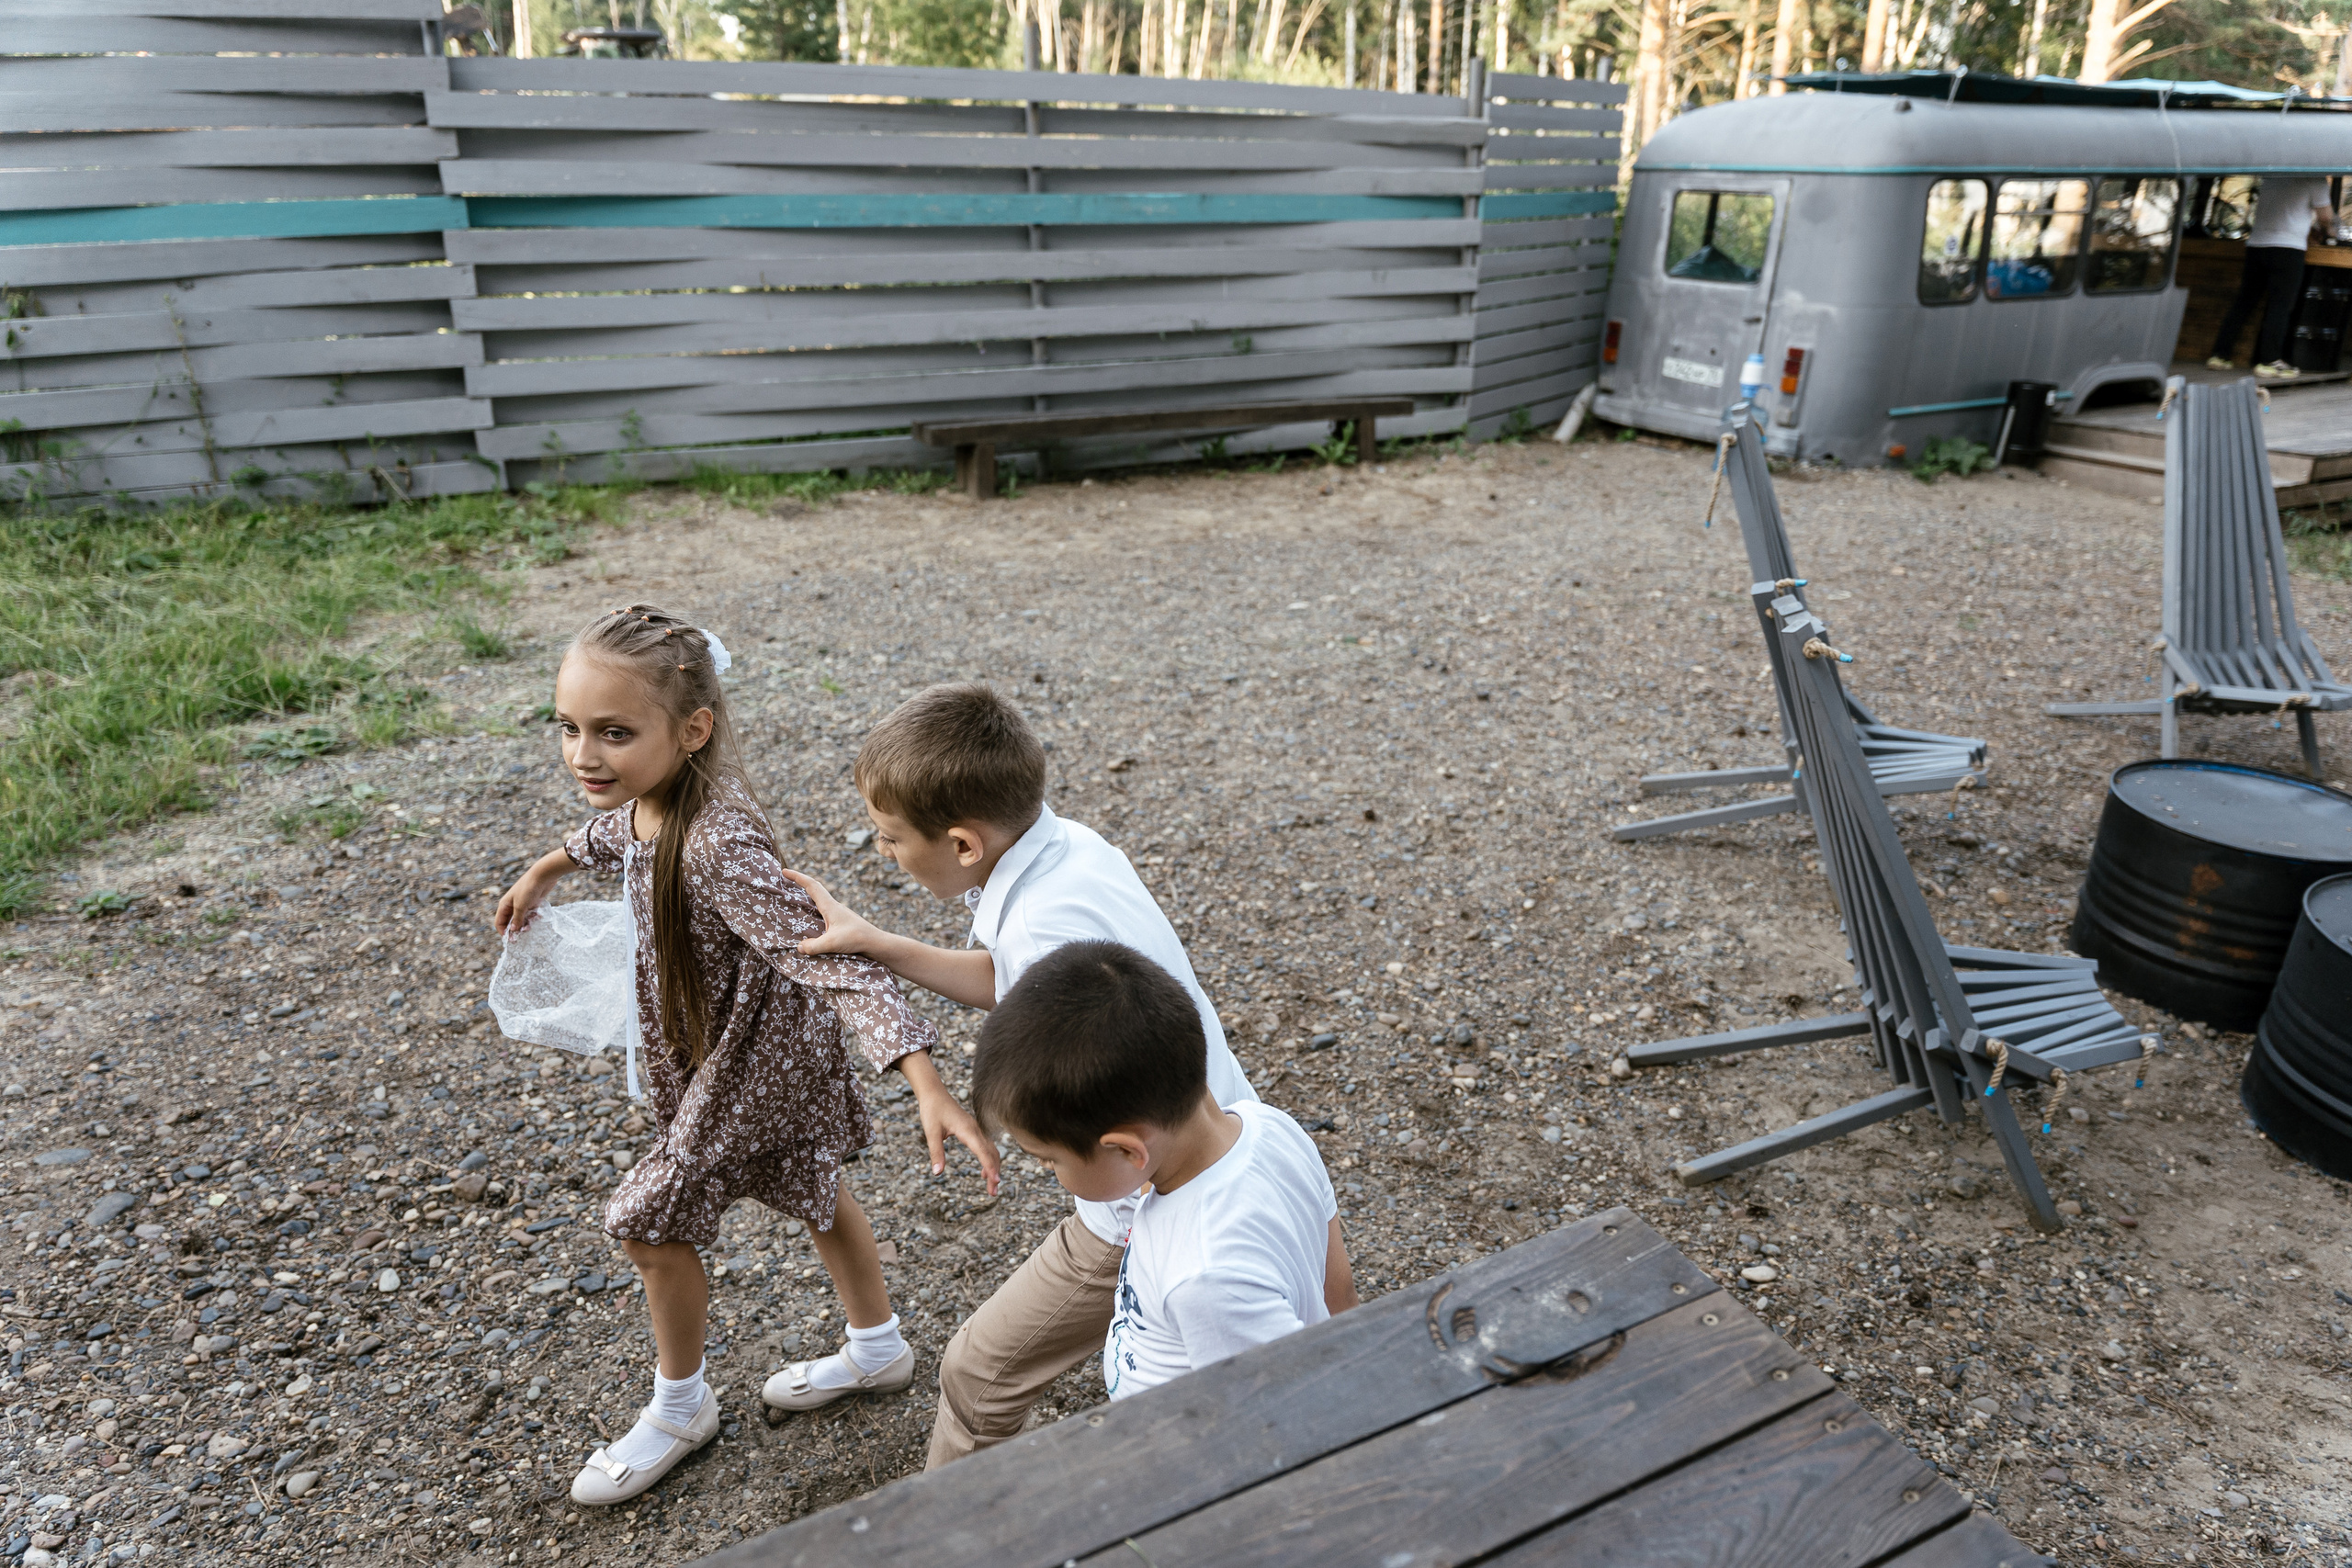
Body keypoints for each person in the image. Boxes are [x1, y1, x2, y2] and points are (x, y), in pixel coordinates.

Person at [492, 605, 999, 1507]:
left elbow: (830, 958)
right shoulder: (654, 802)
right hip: (734, 1049)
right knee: (811, 1184)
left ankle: (680, 1406)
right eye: (568, 727)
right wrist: (545, 869)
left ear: (692, 730)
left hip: (753, 1064)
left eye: (614, 732)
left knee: (648, 1220)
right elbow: (612, 834)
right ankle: (878, 1348)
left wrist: (920, 1073)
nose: (583, 755)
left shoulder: (716, 844)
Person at [779, 682, 1351, 1464]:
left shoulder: (1047, 925)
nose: (883, 851)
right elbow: (1011, 975)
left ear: (964, 844)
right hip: (1209, 1128)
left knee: (978, 1371)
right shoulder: (1070, 849)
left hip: (1144, 1199)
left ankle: (954, 1519)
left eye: (890, 837)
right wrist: (882, 944)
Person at [970, 942, 1351, 1402]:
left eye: (1049, 1160)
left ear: (1128, 1150)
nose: (1048, 1170)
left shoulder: (1205, 1275)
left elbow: (1278, 1407)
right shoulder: (1269, 1125)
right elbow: (1340, 1297)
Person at [2209, 175, 2336, 380]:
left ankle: (2219, 355)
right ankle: (2269, 361)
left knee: (2244, 302)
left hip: (2257, 244)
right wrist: (2328, 230)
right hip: (2288, 248)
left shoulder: (2274, 173)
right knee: (2280, 306)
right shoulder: (2315, 178)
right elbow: (2326, 217)